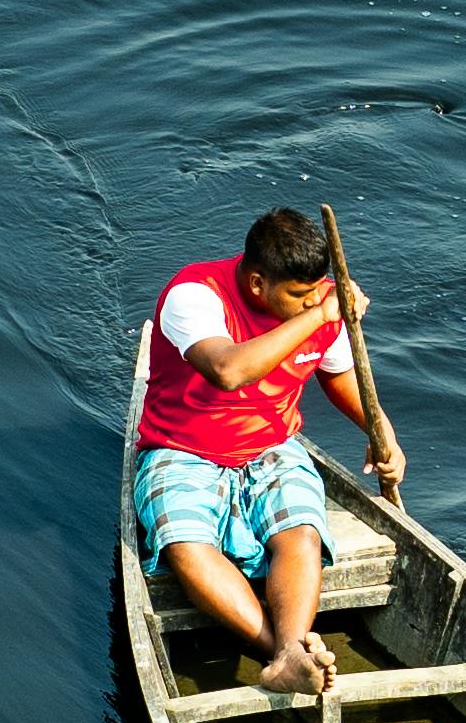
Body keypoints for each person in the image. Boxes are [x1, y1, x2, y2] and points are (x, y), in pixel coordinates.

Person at [133, 206, 401, 698]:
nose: (311, 301)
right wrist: (319, 314)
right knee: (185, 546)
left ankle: (292, 651)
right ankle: (281, 652)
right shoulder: (195, 294)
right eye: (298, 295)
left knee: (302, 533)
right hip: (182, 448)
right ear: (257, 284)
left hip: (271, 445)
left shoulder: (322, 301)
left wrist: (379, 426)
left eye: (316, 292)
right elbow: (227, 371)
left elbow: (338, 374)